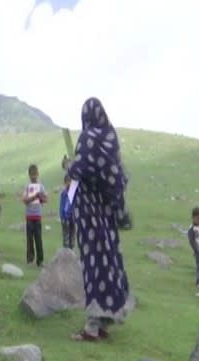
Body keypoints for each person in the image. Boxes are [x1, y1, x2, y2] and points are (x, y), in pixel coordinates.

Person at [67, 97, 130, 342]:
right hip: (106, 216)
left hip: (90, 215)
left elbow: (80, 169)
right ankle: (104, 323)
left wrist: (69, 166)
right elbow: (115, 177)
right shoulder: (110, 140)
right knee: (107, 265)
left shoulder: (87, 139)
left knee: (93, 267)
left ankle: (92, 328)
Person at [23, 164, 48, 266]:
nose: (33, 176)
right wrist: (33, 197)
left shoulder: (41, 187)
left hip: (37, 216)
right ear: (29, 175)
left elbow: (46, 199)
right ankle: (30, 259)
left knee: (38, 238)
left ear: (37, 174)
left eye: (35, 174)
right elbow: (24, 200)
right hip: (29, 216)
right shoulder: (27, 187)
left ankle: (40, 260)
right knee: (29, 239)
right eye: (32, 174)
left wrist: (40, 197)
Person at [59, 174, 76, 249]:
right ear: (65, 183)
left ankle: (71, 251)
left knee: (72, 235)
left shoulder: (75, 193)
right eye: (67, 182)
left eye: (70, 181)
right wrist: (62, 216)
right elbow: (62, 206)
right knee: (66, 235)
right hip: (65, 218)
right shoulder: (64, 193)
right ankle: (66, 251)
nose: (69, 183)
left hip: (73, 217)